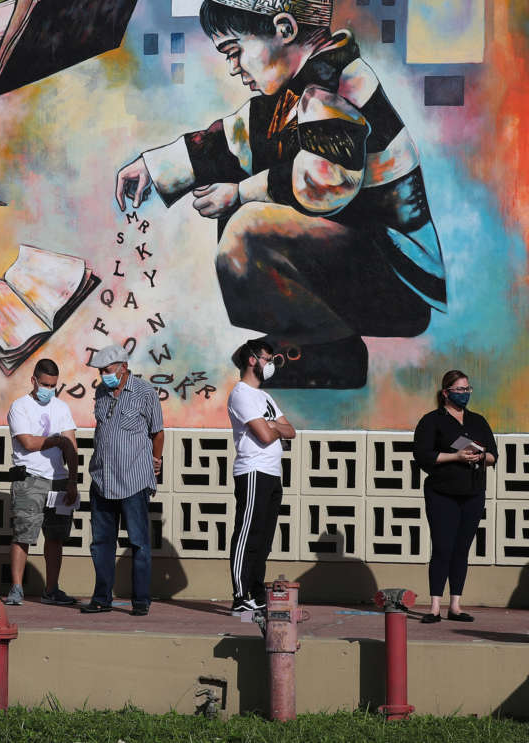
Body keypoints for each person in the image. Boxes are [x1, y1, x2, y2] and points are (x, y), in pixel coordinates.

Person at [114, 0, 445, 389]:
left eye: (235, 51)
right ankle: (312, 339)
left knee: (248, 231)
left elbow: (327, 181)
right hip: (374, 262)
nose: (234, 67)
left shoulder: (330, 88)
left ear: (284, 30)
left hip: (397, 282)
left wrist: (240, 193)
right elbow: (231, 140)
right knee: (240, 215)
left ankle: (332, 353)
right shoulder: (301, 85)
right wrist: (153, 167)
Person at [81, 345, 164, 615]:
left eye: (106, 370)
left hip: (133, 480)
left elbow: (157, 432)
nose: (103, 376)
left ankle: (141, 601)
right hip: (102, 479)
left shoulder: (145, 392)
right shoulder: (101, 392)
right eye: (100, 371)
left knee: (138, 543)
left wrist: (156, 461)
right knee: (101, 543)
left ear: (123, 368)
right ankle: (101, 598)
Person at [413, 370, 497, 624]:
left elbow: (494, 456)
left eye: (467, 390)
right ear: (446, 393)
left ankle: (456, 605)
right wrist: (456, 456)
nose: (464, 395)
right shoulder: (432, 421)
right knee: (443, 547)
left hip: (472, 492)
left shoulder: (477, 421)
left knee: (462, 549)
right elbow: (423, 455)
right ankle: (435, 606)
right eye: (459, 390)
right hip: (442, 493)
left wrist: (480, 456)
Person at [226, 340, 296, 613]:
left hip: (272, 472)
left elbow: (291, 431)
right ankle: (240, 595)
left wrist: (272, 424)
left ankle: (256, 591)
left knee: (264, 537)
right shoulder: (241, 394)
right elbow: (265, 435)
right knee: (247, 532)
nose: (271, 365)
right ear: (252, 360)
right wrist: (273, 426)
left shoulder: (265, 398)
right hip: (253, 470)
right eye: (268, 358)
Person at [4, 358, 80, 607]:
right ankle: (16, 588)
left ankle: (52, 589)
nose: (49, 389)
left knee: (56, 537)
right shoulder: (20, 407)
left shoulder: (62, 408)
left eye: (53, 385)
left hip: (58, 482)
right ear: (33, 381)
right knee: (23, 535)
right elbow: (27, 442)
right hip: (30, 479)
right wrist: (56, 441)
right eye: (45, 384)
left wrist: (72, 480)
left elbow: (72, 447)